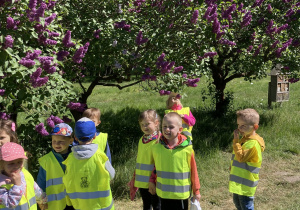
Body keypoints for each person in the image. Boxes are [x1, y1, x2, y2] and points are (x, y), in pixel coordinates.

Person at [149, 112, 200, 210]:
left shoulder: (187, 149)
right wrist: (151, 181)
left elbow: (194, 171)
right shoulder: (157, 147)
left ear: (180, 130)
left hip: (180, 195)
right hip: (163, 194)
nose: (167, 129)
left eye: (171, 127)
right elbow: (155, 167)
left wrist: (196, 191)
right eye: (164, 126)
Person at [63, 117, 115, 210]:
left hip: (80, 206)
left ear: (75, 137)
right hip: (102, 206)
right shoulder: (100, 156)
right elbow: (111, 174)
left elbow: (67, 180)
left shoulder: (70, 159)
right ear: (94, 136)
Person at [229, 108, 265, 210]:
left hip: (246, 182)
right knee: (238, 203)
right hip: (240, 179)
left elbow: (241, 157)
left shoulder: (253, 144)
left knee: (246, 206)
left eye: (243, 126)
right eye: (238, 125)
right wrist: (232, 166)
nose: (239, 128)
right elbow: (237, 156)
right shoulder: (245, 138)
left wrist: (236, 141)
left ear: (255, 127)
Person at [128, 109, 161, 210]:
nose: (144, 127)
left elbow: (159, 162)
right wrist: (134, 177)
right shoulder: (141, 140)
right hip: (142, 182)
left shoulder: (159, 140)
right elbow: (140, 160)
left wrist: (154, 180)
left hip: (154, 181)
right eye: (142, 124)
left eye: (147, 124)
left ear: (156, 123)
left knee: (157, 206)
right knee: (146, 205)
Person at [37, 123, 74, 210]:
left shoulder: (76, 157)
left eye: (61, 141)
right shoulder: (46, 161)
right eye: (54, 141)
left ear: (71, 141)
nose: (57, 144)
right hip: (55, 205)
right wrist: (41, 200)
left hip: (74, 202)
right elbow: (41, 183)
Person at [0, 142, 47, 209]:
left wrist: (43, 201)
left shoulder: (24, 174)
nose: (16, 166)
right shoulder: (1, 184)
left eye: (19, 162)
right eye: (11, 163)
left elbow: (35, 188)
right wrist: (17, 186)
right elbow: (9, 204)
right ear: (2, 165)